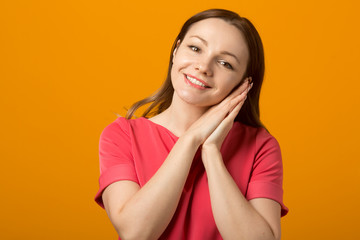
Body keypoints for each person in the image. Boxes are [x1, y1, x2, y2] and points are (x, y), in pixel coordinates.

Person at [95, 8, 288, 240]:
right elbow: (136, 233)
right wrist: (190, 140)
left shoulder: (260, 146)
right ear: (176, 50)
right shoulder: (121, 135)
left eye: (226, 63)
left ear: (244, 83)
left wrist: (211, 151)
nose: (204, 67)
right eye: (195, 48)